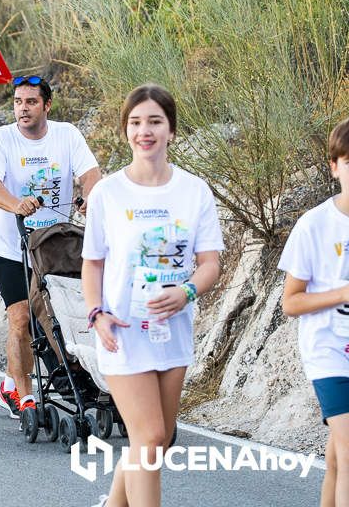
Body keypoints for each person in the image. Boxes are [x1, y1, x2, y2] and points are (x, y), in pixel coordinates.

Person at [82, 84, 223, 507]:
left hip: (173, 331)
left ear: (171, 131)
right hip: (122, 331)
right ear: (126, 131)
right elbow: (93, 263)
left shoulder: (194, 191)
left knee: (155, 442)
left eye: (155, 122)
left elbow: (210, 262)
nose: (145, 131)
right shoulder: (107, 193)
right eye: (136, 122)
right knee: (149, 436)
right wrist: (96, 313)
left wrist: (187, 292)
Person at [0, 75, 102, 420]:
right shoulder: (1, 139)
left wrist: (90, 197)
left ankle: (11, 381)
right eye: (18, 102)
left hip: (53, 245)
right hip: (10, 245)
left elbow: (90, 172)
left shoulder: (67, 135)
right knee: (21, 319)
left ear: (47, 105)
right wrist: (16, 203)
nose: (23, 108)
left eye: (31, 102)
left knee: (56, 317)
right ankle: (25, 395)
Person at [278, 118, 349, 507]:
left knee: (339, 456)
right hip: (329, 350)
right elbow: (291, 301)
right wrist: (342, 292)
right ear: (335, 167)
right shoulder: (314, 225)